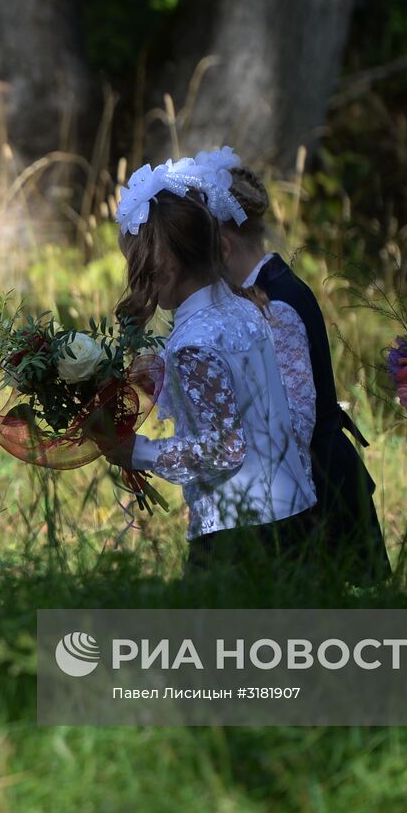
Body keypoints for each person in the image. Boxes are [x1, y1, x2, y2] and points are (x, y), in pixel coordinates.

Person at [102, 157, 319, 576]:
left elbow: (224, 447)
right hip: (293, 513)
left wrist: (138, 452)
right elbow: (240, 406)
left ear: (163, 265)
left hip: (241, 531)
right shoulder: (242, 309)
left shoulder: (194, 341)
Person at [218, 163, 390, 585]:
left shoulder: (276, 304)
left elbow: (294, 421)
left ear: (222, 246)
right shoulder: (268, 291)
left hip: (314, 486)